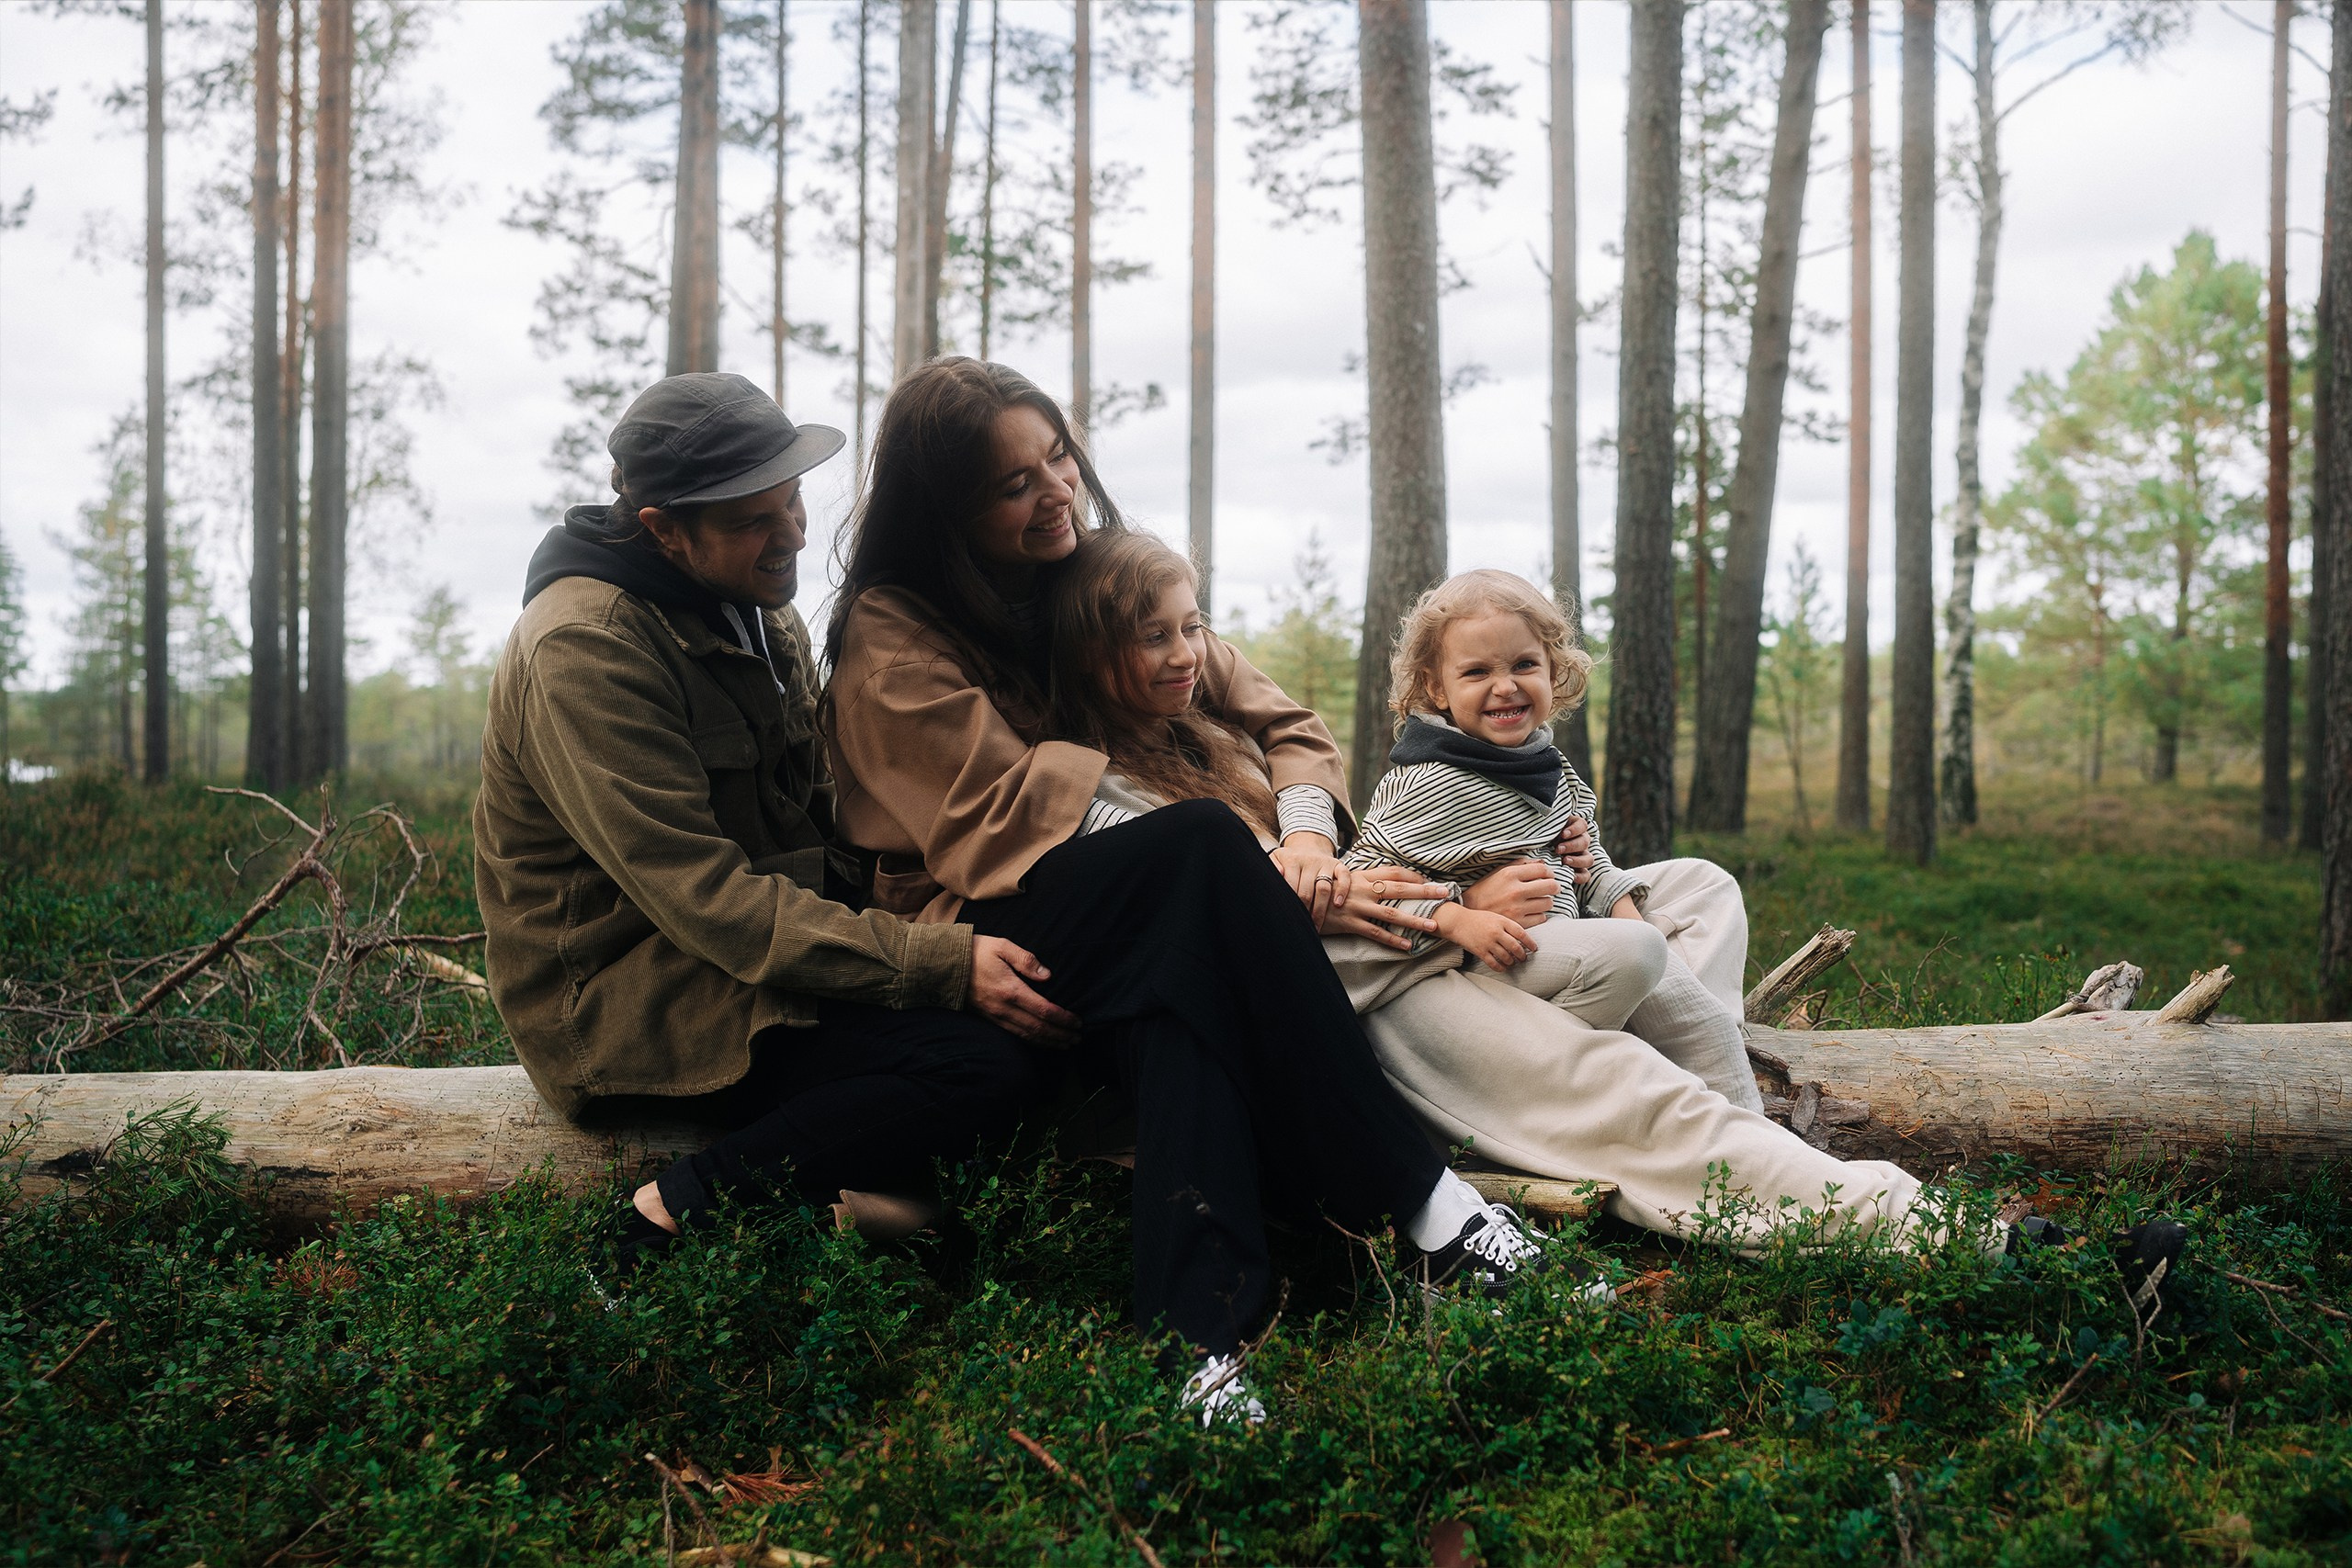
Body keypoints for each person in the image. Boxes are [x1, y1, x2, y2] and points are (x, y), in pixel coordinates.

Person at [1036, 528, 2191, 1303]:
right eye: (1155, 638)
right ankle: (1980, 1247)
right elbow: (1299, 901)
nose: (1190, 653)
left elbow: (1315, 801)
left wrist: (1569, 869)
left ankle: (1690, 1096)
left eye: (1194, 628)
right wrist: (1446, 902)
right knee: (1641, 1101)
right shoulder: (1101, 796)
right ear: (1087, 656)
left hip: (1448, 939)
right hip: (1377, 990)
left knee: (1683, 891)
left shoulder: (1220, 729)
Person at [824, 358, 1604, 1425]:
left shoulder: (1090, 574)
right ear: (947, 508)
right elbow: (1002, 818)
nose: (1053, 491)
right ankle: (1427, 1203)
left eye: (1056, 456)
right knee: (1195, 848)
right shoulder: (893, 633)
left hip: (1146, 904)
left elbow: (1282, 722)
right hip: (989, 913)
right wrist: (1251, 881)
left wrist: (1298, 844)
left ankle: (1199, 1347)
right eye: (1012, 484)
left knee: (1174, 1011)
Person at [474, 372, 1050, 1269]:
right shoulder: (583, 645)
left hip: (751, 956)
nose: (791, 536)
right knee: (976, 1066)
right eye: (753, 520)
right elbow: (703, 897)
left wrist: (951, 901)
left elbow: (822, 823)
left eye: (791, 502)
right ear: (663, 527)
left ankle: (872, 1223)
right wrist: (932, 963)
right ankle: (658, 1220)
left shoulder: (753, 604)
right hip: (634, 995)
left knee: (1030, 1008)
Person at [1342, 569, 1758, 1108]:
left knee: (1706, 883)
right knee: (1636, 953)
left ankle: (1703, 1052)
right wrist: (1458, 915)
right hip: (1486, 970)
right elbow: (1359, 880)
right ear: (1435, 688)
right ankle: (1717, 1092)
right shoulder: (1432, 781)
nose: (1506, 686)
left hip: (1565, 936)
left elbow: (1588, 862)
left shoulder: (1544, 764)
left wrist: (1624, 909)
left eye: (1524, 664)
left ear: (1553, 669)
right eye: (1476, 672)